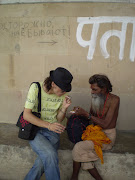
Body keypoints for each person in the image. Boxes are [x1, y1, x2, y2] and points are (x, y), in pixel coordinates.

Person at [23, 67, 73, 180]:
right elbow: (26, 115)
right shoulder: (36, 88)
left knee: (44, 160)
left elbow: (59, 119)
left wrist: (64, 108)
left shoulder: (63, 95)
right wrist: (49, 125)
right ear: (53, 84)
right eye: (63, 89)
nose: (65, 92)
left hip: (53, 132)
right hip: (34, 130)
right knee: (50, 155)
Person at [70, 74, 120, 180]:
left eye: (95, 89)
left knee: (78, 147)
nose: (92, 92)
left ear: (104, 88)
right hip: (94, 133)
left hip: (107, 137)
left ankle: (74, 177)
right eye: (91, 89)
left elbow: (105, 124)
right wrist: (78, 113)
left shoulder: (115, 99)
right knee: (85, 156)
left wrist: (86, 114)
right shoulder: (96, 97)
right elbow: (90, 118)